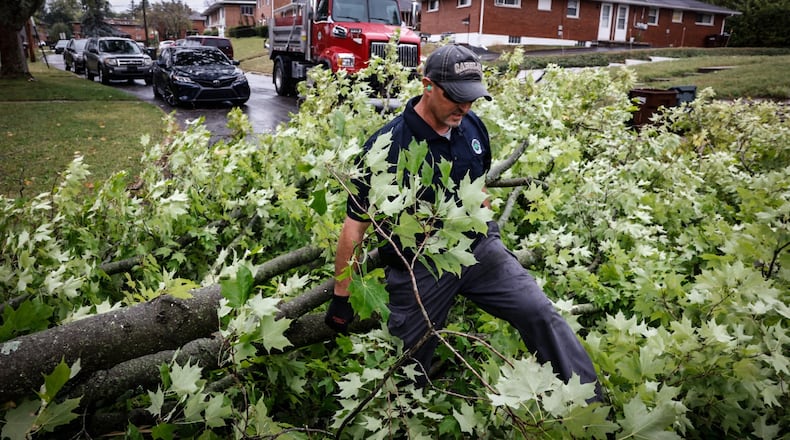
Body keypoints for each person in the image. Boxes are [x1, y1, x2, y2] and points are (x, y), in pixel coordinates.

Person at [325, 44, 601, 397]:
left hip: (477, 248)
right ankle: (405, 417)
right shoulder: (386, 146)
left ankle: (590, 402)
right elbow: (355, 226)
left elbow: (478, 185)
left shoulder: (471, 127)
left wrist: (492, 233)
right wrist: (341, 296)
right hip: (419, 265)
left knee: (539, 311)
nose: (465, 107)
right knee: (408, 365)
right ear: (427, 85)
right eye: (456, 97)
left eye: (471, 98)